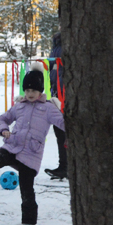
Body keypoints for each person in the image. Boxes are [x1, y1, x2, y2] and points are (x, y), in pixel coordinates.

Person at [0, 63, 64, 225]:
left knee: (26, 188)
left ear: (40, 91)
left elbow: (63, 123)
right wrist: (4, 130)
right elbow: (2, 119)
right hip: (13, 146)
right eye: (27, 90)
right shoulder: (20, 106)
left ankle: (28, 222)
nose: (30, 94)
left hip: (31, 154)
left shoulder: (48, 108)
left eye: (33, 90)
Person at [44, 32, 67, 180]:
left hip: (66, 92)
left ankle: (67, 167)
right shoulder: (56, 43)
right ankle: (64, 166)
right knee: (59, 130)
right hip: (56, 92)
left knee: (65, 130)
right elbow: (53, 69)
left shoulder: (71, 39)